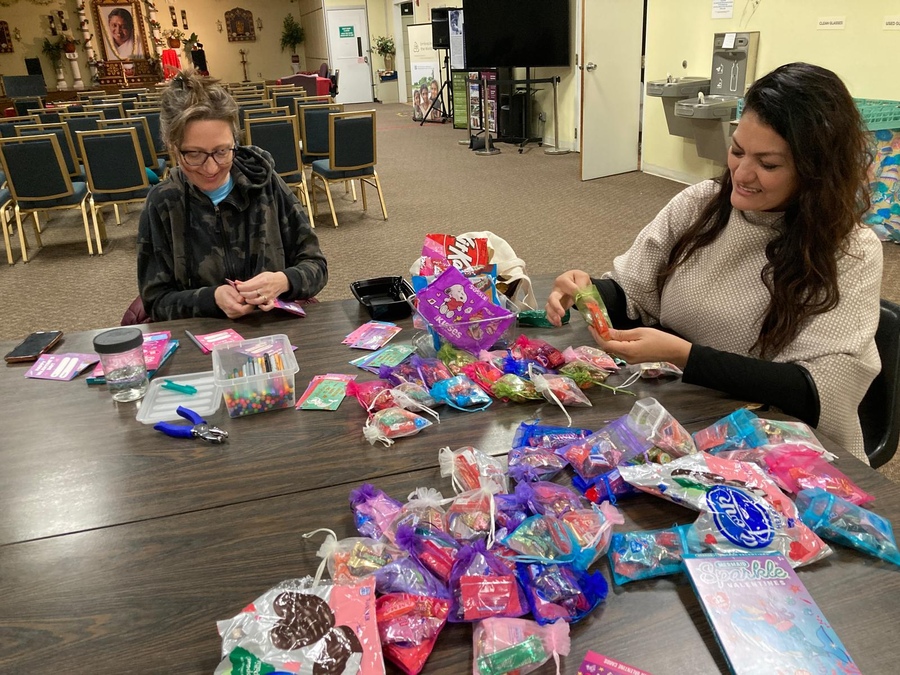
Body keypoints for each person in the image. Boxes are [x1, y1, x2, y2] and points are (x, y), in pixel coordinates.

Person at [546, 62, 882, 463]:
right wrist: (588, 292)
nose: (742, 173)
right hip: (686, 415)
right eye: (737, 151)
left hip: (788, 447)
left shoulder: (850, 250)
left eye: (768, 164)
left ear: (815, 171)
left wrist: (686, 357)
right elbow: (633, 294)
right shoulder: (700, 204)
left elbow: (813, 390)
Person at [137, 69, 327, 321]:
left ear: (235, 142)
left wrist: (283, 281)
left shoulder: (265, 184)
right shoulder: (163, 203)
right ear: (173, 148)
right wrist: (212, 299)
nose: (210, 168)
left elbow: (316, 266)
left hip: (274, 329)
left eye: (221, 151)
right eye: (194, 154)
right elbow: (155, 302)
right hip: (203, 335)